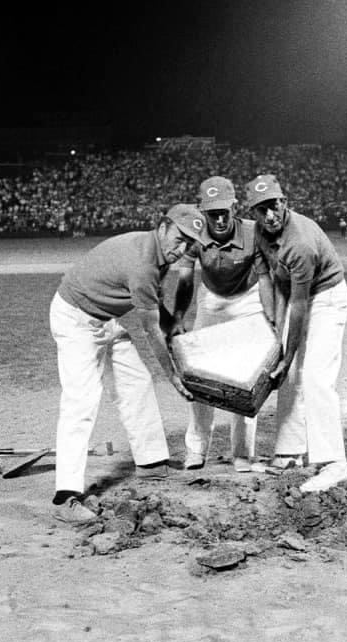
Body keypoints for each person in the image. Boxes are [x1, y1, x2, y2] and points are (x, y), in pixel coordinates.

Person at [48, 204, 202, 524]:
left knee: (137, 380)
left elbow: (154, 307)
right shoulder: (144, 263)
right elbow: (150, 329)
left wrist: (171, 324)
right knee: (82, 402)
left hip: (105, 318)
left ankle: (151, 463)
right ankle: (65, 497)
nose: (182, 248)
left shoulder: (155, 251)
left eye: (190, 243)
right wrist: (173, 376)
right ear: (163, 227)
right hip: (75, 319)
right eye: (179, 238)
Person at [245, 174, 347, 493]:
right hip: (298, 296)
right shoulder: (261, 234)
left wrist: (287, 353)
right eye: (261, 210)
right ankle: (289, 453)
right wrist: (278, 336)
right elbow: (277, 284)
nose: (269, 216)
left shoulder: (300, 241)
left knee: (316, 376)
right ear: (253, 213)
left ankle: (335, 463)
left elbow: (301, 306)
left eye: (273, 206)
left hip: (326, 298)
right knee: (289, 375)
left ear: (284, 203)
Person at [172, 177, 271, 473]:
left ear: (234, 207)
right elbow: (186, 280)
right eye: (211, 212)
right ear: (202, 212)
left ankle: (242, 453)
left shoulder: (254, 233)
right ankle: (196, 450)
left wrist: (273, 318)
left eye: (223, 211)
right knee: (200, 376)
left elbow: (266, 279)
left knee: (246, 377)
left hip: (248, 299)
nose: (218, 218)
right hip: (212, 300)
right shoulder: (195, 235)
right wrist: (178, 318)